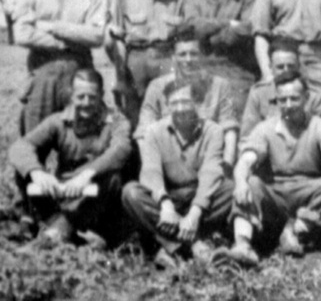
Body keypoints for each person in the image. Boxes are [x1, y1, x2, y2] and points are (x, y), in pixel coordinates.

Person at [228, 71, 321, 263]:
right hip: (276, 193)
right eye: (282, 100)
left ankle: (294, 230)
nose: (288, 106)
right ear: (276, 101)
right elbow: (246, 160)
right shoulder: (266, 128)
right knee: (250, 182)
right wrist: (240, 181)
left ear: (306, 98)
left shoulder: (320, 127)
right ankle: (243, 244)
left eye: (294, 99)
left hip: (307, 192)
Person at [9, 69, 132, 246]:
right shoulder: (58, 121)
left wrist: (86, 175)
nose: (86, 103)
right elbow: (20, 146)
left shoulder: (115, 120)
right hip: (63, 193)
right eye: (80, 97)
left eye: (92, 97)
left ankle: (57, 232)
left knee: (113, 177)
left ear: (102, 95)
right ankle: (64, 227)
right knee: (24, 166)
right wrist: (37, 172)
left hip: (95, 196)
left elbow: (122, 149)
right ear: (71, 96)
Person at [121, 78, 234, 269]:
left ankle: (172, 243)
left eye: (185, 102)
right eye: (174, 103)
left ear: (197, 103)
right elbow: (151, 171)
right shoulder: (154, 132)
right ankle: (192, 244)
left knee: (230, 189)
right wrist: (165, 204)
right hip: (168, 198)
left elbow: (211, 172)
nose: (180, 109)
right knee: (131, 193)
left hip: (198, 198)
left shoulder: (213, 131)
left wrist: (194, 214)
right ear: (166, 105)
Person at [13, 0, 105, 134]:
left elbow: (96, 35)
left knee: (81, 139)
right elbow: (22, 34)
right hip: (42, 72)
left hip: (79, 74)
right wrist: (66, 41)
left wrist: (53, 27)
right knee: (35, 138)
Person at [106, 0, 186, 125]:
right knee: (134, 118)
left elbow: (184, 39)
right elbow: (116, 40)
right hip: (135, 63)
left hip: (166, 60)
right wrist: (119, 76)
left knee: (169, 117)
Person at [135, 30, 239, 171]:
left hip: (209, 165)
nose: (188, 60)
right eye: (182, 54)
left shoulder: (220, 85)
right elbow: (143, 133)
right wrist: (152, 167)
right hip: (170, 167)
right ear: (173, 58)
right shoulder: (157, 87)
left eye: (193, 54)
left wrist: (227, 165)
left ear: (202, 56)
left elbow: (229, 129)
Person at [184, 0, 259, 118]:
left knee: (236, 122)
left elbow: (247, 29)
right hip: (204, 70)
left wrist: (211, 32)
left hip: (237, 70)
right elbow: (194, 28)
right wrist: (227, 24)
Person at [241, 40, 321, 139]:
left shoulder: (314, 97)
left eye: (291, 66)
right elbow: (247, 137)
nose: (286, 71)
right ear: (270, 68)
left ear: (299, 67)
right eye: (280, 67)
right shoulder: (259, 94)